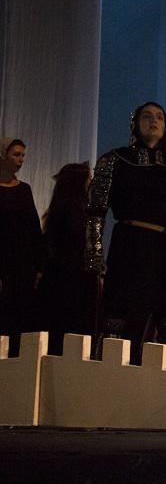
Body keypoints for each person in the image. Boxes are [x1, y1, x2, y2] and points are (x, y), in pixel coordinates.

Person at [86, 103, 166, 368]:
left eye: (159, 117)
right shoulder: (115, 160)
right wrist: (94, 253)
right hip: (129, 247)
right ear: (135, 124)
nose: (154, 121)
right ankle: (111, 377)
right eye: (147, 116)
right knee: (119, 317)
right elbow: (96, 210)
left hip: (165, 252)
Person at [37, 162, 97, 356]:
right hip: (72, 279)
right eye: (88, 178)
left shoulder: (64, 208)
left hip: (64, 277)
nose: (91, 182)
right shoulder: (73, 210)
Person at [0, 138, 46, 357]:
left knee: (21, 317)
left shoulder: (24, 189)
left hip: (23, 265)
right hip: (3, 263)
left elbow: (33, 229)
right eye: (16, 154)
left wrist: (39, 266)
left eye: (23, 155)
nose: (20, 160)